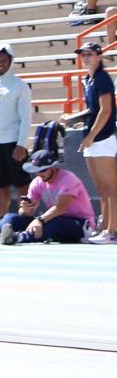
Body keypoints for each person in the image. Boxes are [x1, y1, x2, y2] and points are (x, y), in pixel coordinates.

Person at [64, 41, 117, 243]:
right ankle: (104, 227)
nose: (85, 57)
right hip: (93, 137)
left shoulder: (102, 78)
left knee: (111, 187)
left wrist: (91, 136)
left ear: (99, 56)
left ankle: (112, 231)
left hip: (102, 138)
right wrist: (74, 117)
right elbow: (93, 110)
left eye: (89, 54)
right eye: (83, 54)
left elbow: (106, 110)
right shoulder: (89, 79)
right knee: (101, 188)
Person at [0, 149, 96, 245]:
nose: (39, 173)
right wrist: (25, 210)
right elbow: (27, 212)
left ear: (53, 167)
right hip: (53, 218)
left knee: (53, 222)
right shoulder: (37, 182)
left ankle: (17, 237)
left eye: (43, 170)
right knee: (12, 217)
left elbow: (60, 208)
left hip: (81, 224)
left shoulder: (68, 179)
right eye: (36, 170)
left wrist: (39, 220)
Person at [0, 41, 33, 219]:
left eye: (4, 60)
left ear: (11, 61)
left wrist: (22, 144)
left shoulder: (20, 86)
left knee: (21, 185)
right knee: (0, 186)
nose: (0, 64)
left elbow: (26, 118)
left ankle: (25, 220)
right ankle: (3, 222)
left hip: (13, 143)